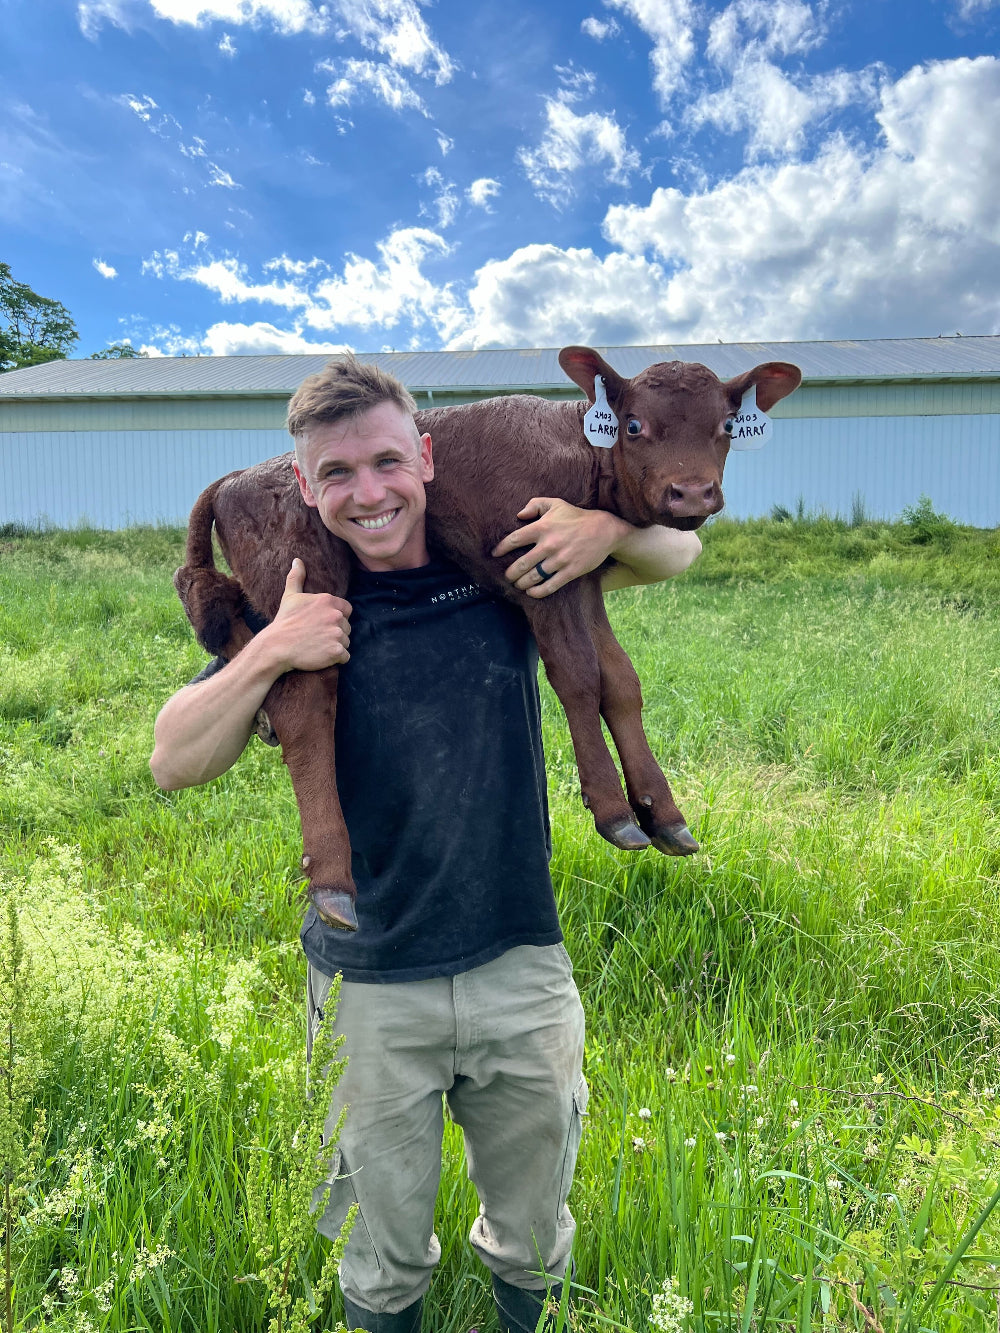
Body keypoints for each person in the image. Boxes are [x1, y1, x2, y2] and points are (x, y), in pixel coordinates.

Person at [150, 356, 702, 1333]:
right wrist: (275, 646)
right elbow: (174, 760)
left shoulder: (494, 559)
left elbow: (679, 552)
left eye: (385, 462)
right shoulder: (294, 593)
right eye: (336, 475)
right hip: (369, 984)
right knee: (378, 1243)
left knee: (535, 1222)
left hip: (517, 962)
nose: (368, 494)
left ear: (426, 457)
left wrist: (605, 527)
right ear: (303, 487)